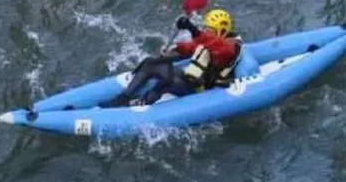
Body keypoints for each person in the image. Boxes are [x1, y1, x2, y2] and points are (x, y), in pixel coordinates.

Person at [103, 7, 243, 108]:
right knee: (150, 62)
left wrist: (192, 28)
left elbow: (211, 42)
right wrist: (175, 47)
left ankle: (141, 104)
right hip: (189, 78)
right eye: (206, 29)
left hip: (199, 86)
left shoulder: (228, 48)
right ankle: (123, 97)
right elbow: (194, 47)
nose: (207, 32)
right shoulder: (212, 41)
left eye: (210, 30)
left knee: (167, 80)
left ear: (222, 31)